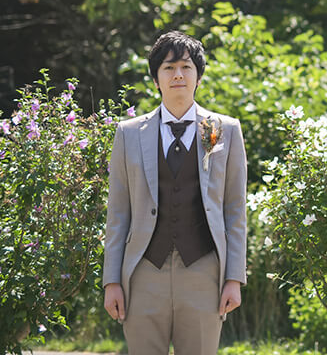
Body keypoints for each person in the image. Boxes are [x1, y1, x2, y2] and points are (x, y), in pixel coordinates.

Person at [102, 31, 248, 355]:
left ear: (198, 76)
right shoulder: (127, 134)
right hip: (143, 273)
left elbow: (235, 210)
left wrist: (234, 278)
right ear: (156, 79)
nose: (178, 75)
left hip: (204, 273)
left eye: (186, 67)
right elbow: (118, 213)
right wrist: (111, 280)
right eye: (168, 68)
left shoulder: (226, 130)